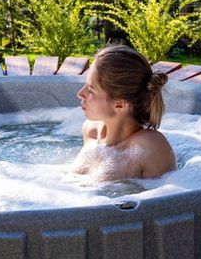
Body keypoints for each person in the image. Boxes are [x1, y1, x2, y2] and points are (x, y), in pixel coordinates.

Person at [73, 43, 176, 182]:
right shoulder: (90, 130)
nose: (80, 94)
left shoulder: (150, 146)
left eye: (90, 90)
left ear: (120, 104)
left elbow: (169, 200)